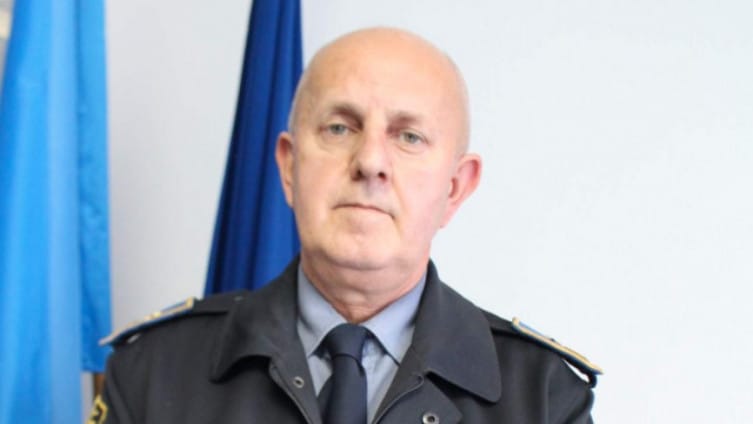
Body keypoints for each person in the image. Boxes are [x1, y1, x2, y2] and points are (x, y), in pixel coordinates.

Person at [91, 28, 600, 424]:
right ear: (289, 166)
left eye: (409, 137)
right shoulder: (152, 373)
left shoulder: (544, 397)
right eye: (340, 128)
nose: (370, 161)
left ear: (455, 188)